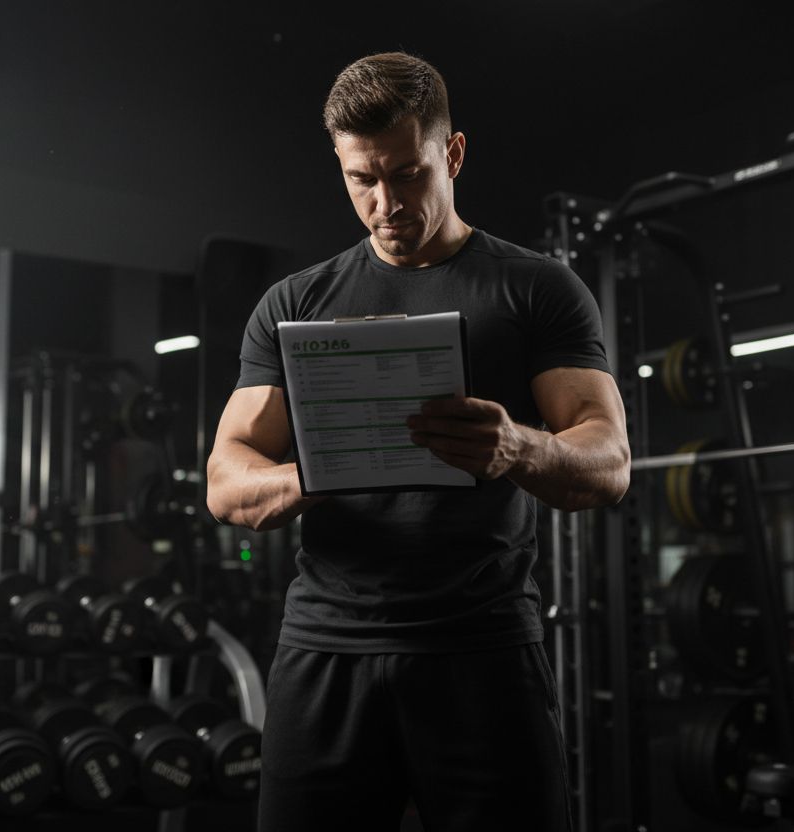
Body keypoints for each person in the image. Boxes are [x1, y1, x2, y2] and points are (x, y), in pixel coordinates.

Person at [206, 52, 630, 832]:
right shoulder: (295, 302)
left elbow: (609, 463)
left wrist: (518, 448)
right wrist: (316, 473)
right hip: (327, 650)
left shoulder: (533, 289)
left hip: (482, 649)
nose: (384, 204)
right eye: (361, 179)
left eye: (406, 174)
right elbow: (226, 481)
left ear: (453, 153)